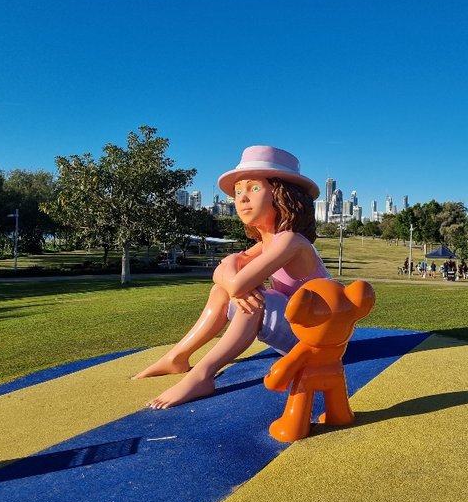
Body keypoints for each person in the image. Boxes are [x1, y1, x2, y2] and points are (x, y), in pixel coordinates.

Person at [134, 145, 330, 409]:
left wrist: (233, 270)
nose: (242, 198)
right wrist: (231, 265)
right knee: (225, 292)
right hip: (299, 331)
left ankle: (203, 375)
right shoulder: (269, 241)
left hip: (323, 339)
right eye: (238, 192)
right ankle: (178, 357)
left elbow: (236, 281)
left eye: (254, 188)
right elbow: (221, 277)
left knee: (253, 298)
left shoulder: (291, 241)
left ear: (284, 195)